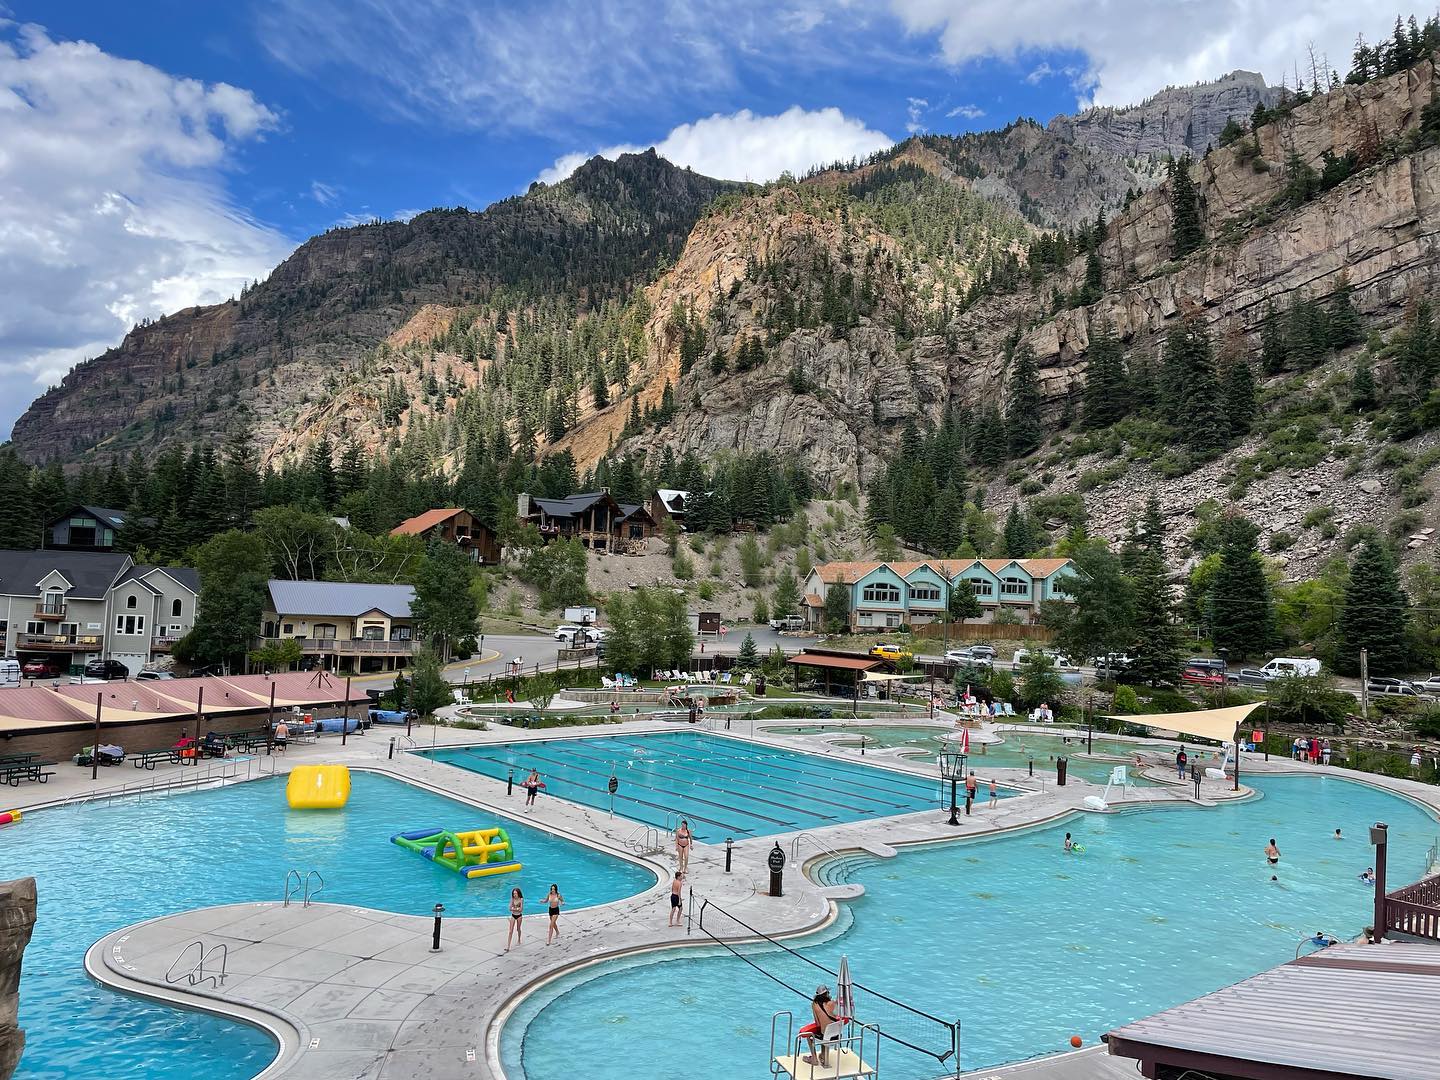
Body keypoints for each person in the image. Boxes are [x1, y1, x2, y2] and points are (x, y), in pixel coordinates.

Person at [800, 985, 840, 1067]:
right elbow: (837, 1016)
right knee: (825, 1033)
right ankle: (823, 1056)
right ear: (827, 994)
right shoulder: (832, 1003)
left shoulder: (814, 1004)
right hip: (837, 1036)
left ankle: (814, 1059)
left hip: (826, 1037)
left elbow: (817, 1023)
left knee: (811, 1035)